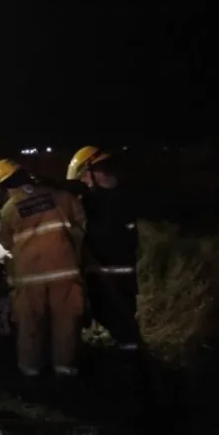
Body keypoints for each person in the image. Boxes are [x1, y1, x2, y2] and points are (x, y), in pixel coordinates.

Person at [0, 159, 87, 380]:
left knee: (30, 325)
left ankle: (31, 370)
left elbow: (5, 242)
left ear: (5, 186)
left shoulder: (10, 209)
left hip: (29, 278)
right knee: (66, 324)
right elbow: (81, 226)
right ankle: (65, 369)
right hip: (65, 273)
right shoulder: (62, 197)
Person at [67, 146, 142, 351]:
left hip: (109, 273)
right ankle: (130, 354)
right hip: (113, 273)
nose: (84, 182)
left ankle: (131, 359)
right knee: (120, 318)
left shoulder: (101, 202)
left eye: (83, 177)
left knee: (119, 321)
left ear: (93, 172)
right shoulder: (119, 196)